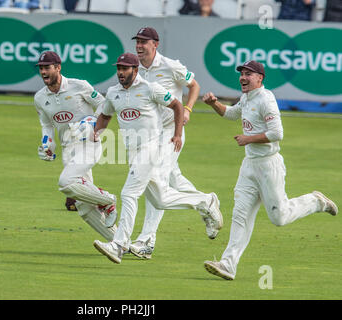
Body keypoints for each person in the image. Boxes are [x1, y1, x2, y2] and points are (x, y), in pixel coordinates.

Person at [202, 60, 338, 280]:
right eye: (241, 74)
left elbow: (277, 133)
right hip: (249, 165)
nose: (243, 78)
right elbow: (231, 113)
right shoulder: (246, 98)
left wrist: (249, 138)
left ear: (260, 78)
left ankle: (316, 201)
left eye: (248, 74)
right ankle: (228, 264)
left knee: (279, 217)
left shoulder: (266, 99)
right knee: (240, 215)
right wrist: (214, 103)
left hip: (269, 164)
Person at [92, 53, 223, 264]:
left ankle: (119, 244)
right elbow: (106, 115)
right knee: (160, 199)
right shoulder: (113, 92)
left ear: (135, 70)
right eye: (119, 68)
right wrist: (96, 133)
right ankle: (204, 201)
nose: (120, 73)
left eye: (125, 69)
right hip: (132, 151)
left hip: (151, 148)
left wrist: (178, 134)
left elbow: (177, 106)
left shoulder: (149, 88)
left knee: (129, 193)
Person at [128, 27, 220, 259]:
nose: (139, 46)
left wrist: (187, 109)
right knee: (173, 180)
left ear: (155, 44)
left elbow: (195, 86)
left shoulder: (170, 66)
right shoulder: (135, 70)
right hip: (149, 136)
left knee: (156, 181)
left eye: (143, 42)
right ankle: (206, 202)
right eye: (137, 42)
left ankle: (146, 241)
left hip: (172, 133)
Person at [34, 51, 117, 241]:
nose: (44, 72)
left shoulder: (79, 86)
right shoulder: (39, 97)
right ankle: (119, 243)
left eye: (47, 67)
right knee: (84, 207)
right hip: (67, 149)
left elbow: (104, 105)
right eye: (41, 68)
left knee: (66, 182)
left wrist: (92, 123)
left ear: (58, 67)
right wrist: (48, 144)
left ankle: (108, 199)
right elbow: (47, 125)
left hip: (88, 142)